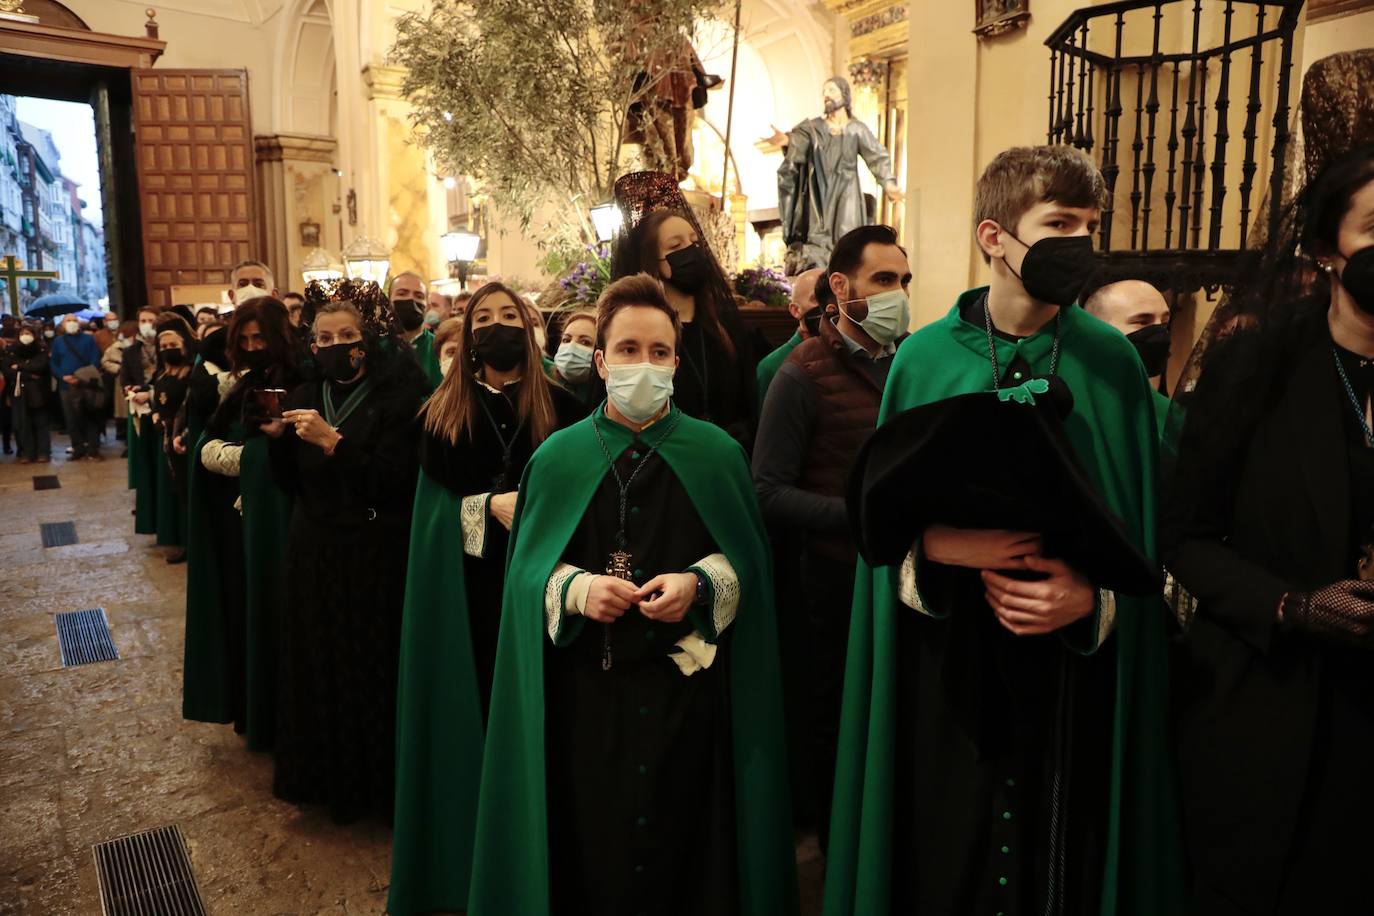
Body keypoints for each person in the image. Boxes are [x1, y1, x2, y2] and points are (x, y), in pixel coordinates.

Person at [824, 146, 1182, 916]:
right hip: (944, 667)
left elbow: (1142, 544)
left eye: (1088, 226)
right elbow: (883, 528)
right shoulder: (920, 363)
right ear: (994, 236)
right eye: (1058, 223)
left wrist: (1094, 601)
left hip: (1073, 678)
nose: (1077, 244)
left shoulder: (1111, 365)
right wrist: (941, 547)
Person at [466, 274, 796, 915]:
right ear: (599, 359)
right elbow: (525, 575)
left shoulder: (718, 454)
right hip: (585, 699)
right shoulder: (557, 458)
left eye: (659, 352)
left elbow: (751, 565)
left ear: (676, 360)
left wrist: (698, 583)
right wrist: (576, 587)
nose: (643, 365)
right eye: (627, 350)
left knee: (690, 851)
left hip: (690, 700)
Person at [1162, 50, 1374, 915]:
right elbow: (1184, 536)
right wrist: (1293, 606)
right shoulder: (1259, 362)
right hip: (1281, 714)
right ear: (1328, 249)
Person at [390, 281, 585, 914]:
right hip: (472, 587)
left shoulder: (564, 405)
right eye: (484, 319)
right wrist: (482, 506)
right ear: (468, 336)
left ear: (530, 330)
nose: (496, 328)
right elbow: (425, 518)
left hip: (548, 583)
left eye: (509, 317)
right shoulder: (440, 412)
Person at [752, 225, 909, 849]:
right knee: (839, 713)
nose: (898, 294)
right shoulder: (801, 372)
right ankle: (841, 844)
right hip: (836, 576)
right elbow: (766, 490)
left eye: (903, 281)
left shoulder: (908, 360)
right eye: (883, 281)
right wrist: (860, 514)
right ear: (839, 287)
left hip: (904, 571)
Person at [261, 279, 428, 823]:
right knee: (319, 664)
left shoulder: (401, 396)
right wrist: (277, 442)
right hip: (314, 549)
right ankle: (326, 781)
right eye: (325, 336)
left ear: (369, 339)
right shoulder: (307, 392)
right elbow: (289, 484)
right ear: (313, 345)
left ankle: (376, 788)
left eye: (348, 335)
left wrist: (335, 443)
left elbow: (396, 480)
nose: (337, 345)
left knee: (370, 668)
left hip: (374, 550)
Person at [182, 298, 299, 751]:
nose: (253, 347)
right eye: (244, 340)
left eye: (260, 338)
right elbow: (215, 433)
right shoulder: (245, 382)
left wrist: (235, 457)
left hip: (279, 523)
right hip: (240, 521)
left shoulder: (300, 379)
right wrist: (213, 452)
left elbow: (278, 453)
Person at [610, 171, 760, 444]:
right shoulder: (642, 338)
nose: (691, 250)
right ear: (657, 262)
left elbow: (748, 403)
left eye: (695, 242)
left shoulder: (725, 330)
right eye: (676, 245)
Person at [777, 77, 904, 272]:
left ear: (844, 95)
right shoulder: (814, 128)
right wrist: (787, 140)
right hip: (820, 191)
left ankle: (845, 274)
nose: (827, 95)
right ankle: (820, 274)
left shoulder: (856, 129)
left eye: (832, 90)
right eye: (825, 91)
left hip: (847, 191)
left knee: (847, 237)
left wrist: (888, 183)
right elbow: (799, 143)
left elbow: (876, 155)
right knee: (818, 234)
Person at [1085, 279, 1173, 436]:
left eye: (1164, 323)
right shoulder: (1073, 406)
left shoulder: (1174, 415)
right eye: (1142, 322)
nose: (1160, 334)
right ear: (1098, 329)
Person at [151, 314, 196, 562]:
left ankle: (191, 543)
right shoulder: (162, 374)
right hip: (167, 439)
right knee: (176, 492)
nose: (169, 350)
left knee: (187, 492)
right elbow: (160, 401)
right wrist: (157, 414)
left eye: (173, 345)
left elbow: (188, 407)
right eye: (164, 347)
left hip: (183, 440)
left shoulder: (190, 373)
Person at [755, 267, 823, 404]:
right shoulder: (772, 366)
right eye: (816, 299)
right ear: (795, 310)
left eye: (831, 297)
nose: (827, 305)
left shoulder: (848, 353)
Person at [125, 309, 162, 530]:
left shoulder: (165, 345)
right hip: (139, 408)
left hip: (159, 403)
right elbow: (125, 376)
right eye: (143, 321)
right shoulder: (131, 351)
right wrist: (129, 388)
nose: (146, 324)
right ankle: (146, 501)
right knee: (143, 458)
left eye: (150, 320)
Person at [49, 313, 103, 461]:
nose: (72, 323)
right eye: (68, 320)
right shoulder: (58, 341)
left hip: (86, 385)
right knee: (71, 418)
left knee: (90, 416)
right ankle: (78, 448)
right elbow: (53, 362)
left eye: (74, 320)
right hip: (66, 386)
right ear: (63, 324)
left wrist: (80, 377)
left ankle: (93, 448)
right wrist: (62, 376)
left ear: (79, 324)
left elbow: (95, 359)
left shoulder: (88, 339)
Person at [389, 271, 443, 388]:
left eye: (419, 296)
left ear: (427, 307)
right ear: (389, 302)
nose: (411, 299)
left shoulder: (440, 347)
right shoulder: (376, 347)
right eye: (402, 294)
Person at [6, 324, 51, 463]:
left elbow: (40, 366)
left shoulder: (41, 349)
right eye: (22, 333)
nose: (25, 336)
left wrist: (19, 367)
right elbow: (8, 370)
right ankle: (27, 452)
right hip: (19, 391)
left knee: (40, 422)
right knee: (23, 423)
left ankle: (43, 451)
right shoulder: (11, 351)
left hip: (38, 391)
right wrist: (30, 375)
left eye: (28, 333)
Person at [551, 309, 597, 404]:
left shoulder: (608, 400)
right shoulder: (541, 389)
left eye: (585, 342)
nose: (571, 347)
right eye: (566, 340)